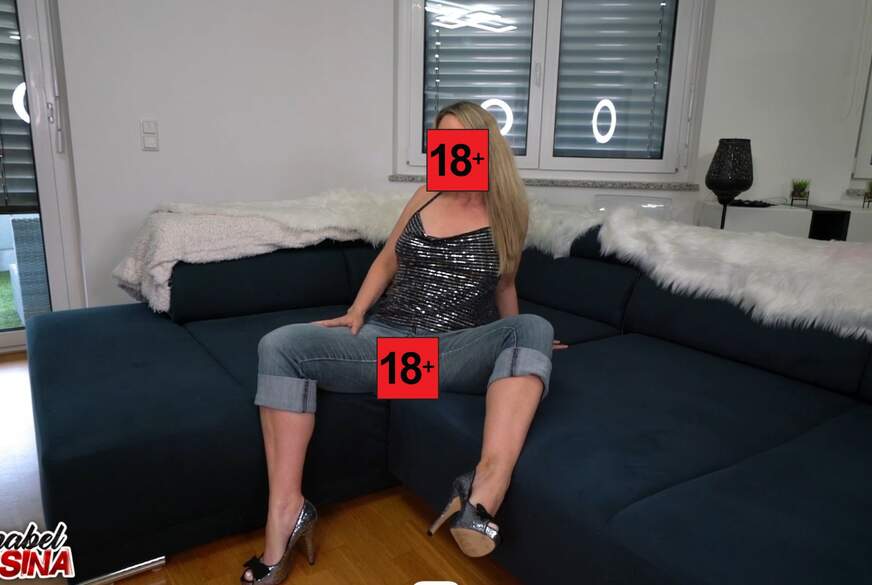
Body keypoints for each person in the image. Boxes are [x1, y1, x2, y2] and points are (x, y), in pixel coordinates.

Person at [241, 101, 566, 584]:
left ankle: (481, 495)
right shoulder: (427, 194)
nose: (451, 151)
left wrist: (524, 348)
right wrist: (357, 311)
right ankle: (287, 511)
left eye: (461, 141)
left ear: (485, 147)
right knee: (280, 345)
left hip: (452, 353)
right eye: (443, 141)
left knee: (535, 327)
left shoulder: (508, 213)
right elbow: (387, 261)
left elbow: (505, 285)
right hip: (394, 348)